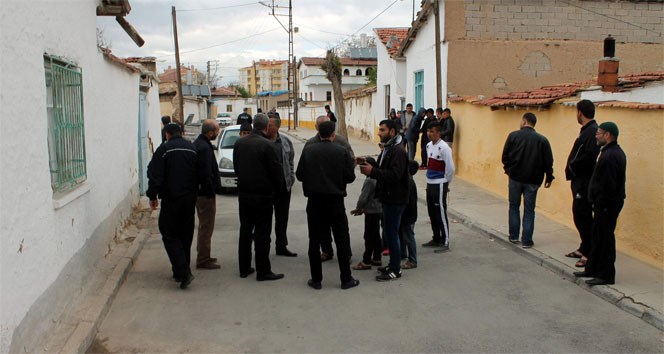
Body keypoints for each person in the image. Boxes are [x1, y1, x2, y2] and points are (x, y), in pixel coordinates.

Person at [296, 121, 359, 290]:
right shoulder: (341, 151)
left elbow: (300, 174)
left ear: (318, 133)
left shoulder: (308, 150)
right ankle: (346, 279)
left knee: (314, 240)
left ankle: (316, 280)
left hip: (315, 202)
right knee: (342, 239)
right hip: (335, 202)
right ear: (333, 135)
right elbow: (350, 177)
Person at [147, 123, 203, 289]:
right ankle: (180, 270)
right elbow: (200, 172)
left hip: (172, 199)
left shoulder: (164, 150)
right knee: (185, 234)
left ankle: (183, 272)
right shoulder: (191, 148)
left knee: (169, 234)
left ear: (167, 134)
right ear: (182, 133)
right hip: (189, 199)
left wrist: (152, 196)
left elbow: (154, 174)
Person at [233, 113, 284, 281]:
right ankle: (263, 270)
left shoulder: (239, 143)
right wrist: (277, 191)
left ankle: (244, 267)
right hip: (263, 196)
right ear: (266, 127)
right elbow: (276, 173)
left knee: (245, 231)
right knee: (262, 233)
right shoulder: (268, 145)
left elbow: (237, 167)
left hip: (244, 195)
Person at [574, 122, 626, 286]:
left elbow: (609, 185)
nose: (596, 135)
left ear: (608, 135)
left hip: (607, 205)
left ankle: (605, 275)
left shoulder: (612, 155)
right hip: (602, 204)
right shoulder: (608, 152)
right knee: (597, 236)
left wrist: (601, 203)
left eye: (599, 133)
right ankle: (592, 268)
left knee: (605, 239)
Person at [359, 119, 409, 282]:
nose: (379, 133)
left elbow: (394, 175)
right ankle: (392, 264)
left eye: (382, 130)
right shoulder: (389, 148)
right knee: (389, 233)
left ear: (392, 132)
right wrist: (366, 164)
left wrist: (372, 171)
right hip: (387, 198)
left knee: (392, 234)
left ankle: (395, 269)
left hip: (395, 199)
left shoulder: (398, 151)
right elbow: (382, 168)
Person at [304, 115, 355, 262]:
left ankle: (346, 253)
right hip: (322, 195)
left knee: (340, 228)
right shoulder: (310, 144)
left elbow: (350, 162)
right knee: (323, 227)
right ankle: (326, 250)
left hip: (333, 194)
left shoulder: (341, 142)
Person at [501, 112, 554, 248]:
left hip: (515, 178)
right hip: (533, 180)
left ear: (524, 121)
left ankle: (513, 236)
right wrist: (549, 176)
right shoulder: (542, 140)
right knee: (529, 210)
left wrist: (509, 170)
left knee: (514, 206)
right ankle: (527, 240)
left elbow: (504, 156)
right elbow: (548, 161)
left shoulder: (513, 136)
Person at [564, 99, 600, 268]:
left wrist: (573, 165)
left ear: (580, 112)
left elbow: (589, 156)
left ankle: (589, 252)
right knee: (579, 214)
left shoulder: (592, 131)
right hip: (580, 180)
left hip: (584, 182)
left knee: (582, 215)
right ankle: (584, 247)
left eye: (576, 112)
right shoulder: (587, 130)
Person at [421, 121, 455, 252]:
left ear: (438, 133)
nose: (429, 134)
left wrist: (446, 183)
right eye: (428, 131)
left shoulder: (444, 148)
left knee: (440, 212)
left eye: (432, 131)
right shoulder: (429, 146)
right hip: (430, 182)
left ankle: (445, 240)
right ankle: (436, 237)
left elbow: (450, 168)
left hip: (440, 183)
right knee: (432, 212)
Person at [193, 119, 222, 270]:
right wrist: (211, 192)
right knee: (206, 226)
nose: (217, 133)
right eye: (217, 131)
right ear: (210, 132)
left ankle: (204, 254)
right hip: (204, 194)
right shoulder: (204, 147)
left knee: (205, 226)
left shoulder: (200, 144)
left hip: (201, 192)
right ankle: (203, 259)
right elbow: (205, 173)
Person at [267, 114, 297, 257]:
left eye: (270, 125)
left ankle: (281, 246)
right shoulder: (262, 141)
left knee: (282, 218)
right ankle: (264, 248)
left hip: (284, 186)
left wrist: (291, 177)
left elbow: (290, 160)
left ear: (277, 127)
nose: (268, 127)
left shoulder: (285, 141)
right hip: (267, 187)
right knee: (265, 218)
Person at [350, 167, 383, 271]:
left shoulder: (369, 181)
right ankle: (377, 257)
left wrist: (358, 209)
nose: (361, 171)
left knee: (368, 236)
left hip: (371, 211)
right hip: (378, 209)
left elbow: (363, 198)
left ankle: (366, 260)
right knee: (376, 234)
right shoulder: (378, 177)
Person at [400, 160, 420, 269]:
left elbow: (408, 202)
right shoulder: (409, 181)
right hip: (409, 215)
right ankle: (403, 254)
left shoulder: (409, 183)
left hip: (408, 215)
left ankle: (412, 260)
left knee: (409, 236)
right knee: (404, 235)